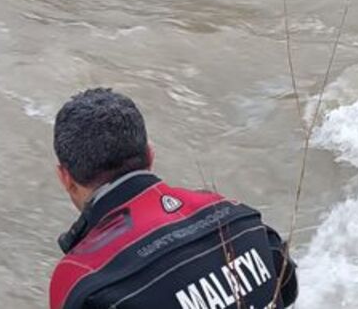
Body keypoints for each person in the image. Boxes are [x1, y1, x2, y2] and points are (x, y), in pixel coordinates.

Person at [49, 88, 298, 309]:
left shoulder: (80, 281)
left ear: (65, 178)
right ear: (150, 154)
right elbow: (288, 287)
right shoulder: (236, 217)